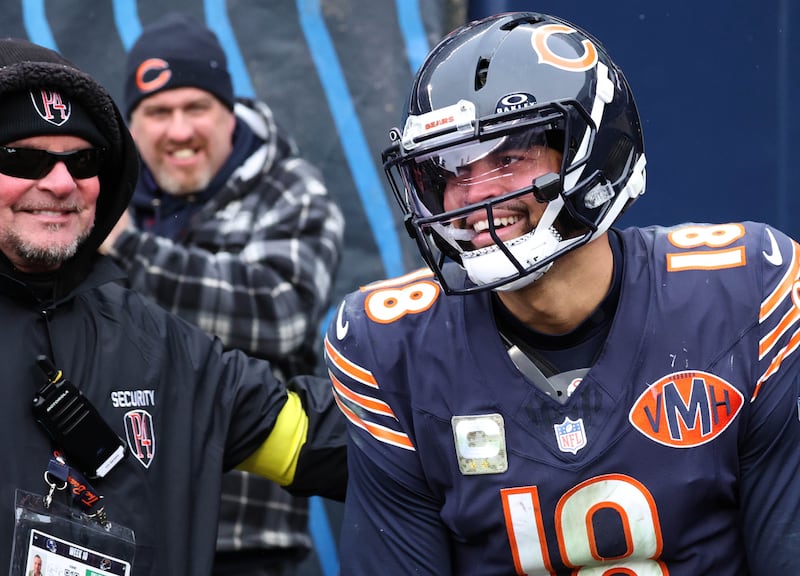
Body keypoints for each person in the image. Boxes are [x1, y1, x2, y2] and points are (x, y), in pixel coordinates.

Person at [324, 11, 800, 575]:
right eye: (448, 169)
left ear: (594, 154)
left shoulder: (746, 293)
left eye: (508, 157)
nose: (475, 197)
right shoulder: (390, 346)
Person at [0, 37, 345, 576]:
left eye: (83, 159)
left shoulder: (160, 341)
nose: (61, 183)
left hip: (251, 543)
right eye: (22, 158)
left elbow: (326, 437)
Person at [98, 13, 345, 575]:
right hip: (112, 530)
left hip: (241, 536)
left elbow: (279, 310)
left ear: (229, 112)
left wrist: (129, 253)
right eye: (158, 112)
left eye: (197, 108)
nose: (179, 130)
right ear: (131, 126)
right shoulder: (98, 198)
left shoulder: (289, 189)